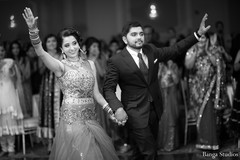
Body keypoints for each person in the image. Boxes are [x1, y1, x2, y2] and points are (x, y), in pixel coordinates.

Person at [103, 14, 210, 160]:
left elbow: (175, 49)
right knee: (150, 152)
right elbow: (108, 88)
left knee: (142, 152)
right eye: (133, 34)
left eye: (141, 34)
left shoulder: (151, 50)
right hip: (134, 112)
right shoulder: (116, 61)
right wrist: (118, 108)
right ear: (124, 39)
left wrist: (197, 35)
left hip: (155, 110)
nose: (139, 37)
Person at [22, 7, 119, 160]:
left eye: (74, 43)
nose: (72, 48)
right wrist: (33, 31)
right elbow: (40, 51)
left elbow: (96, 94)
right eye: (67, 45)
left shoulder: (90, 64)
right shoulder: (60, 66)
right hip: (72, 121)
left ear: (79, 44)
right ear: (62, 49)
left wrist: (110, 110)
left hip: (91, 120)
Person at [185, 33, 228, 150]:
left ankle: (210, 142)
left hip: (210, 88)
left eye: (204, 37)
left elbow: (216, 64)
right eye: (199, 37)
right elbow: (188, 66)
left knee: (209, 113)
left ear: (208, 40)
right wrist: (196, 52)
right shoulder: (191, 50)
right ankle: (202, 141)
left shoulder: (212, 51)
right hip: (196, 89)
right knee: (200, 114)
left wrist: (208, 51)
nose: (201, 40)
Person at [36, 33, 62, 153]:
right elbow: (40, 71)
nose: (51, 43)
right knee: (48, 113)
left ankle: (61, 142)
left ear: (57, 43)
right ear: (45, 44)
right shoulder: (42, 55)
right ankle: (50, 143)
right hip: (47, 88)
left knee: (61, 114)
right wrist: (47, 59)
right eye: (48, 41)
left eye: (53, 41)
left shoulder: (62, 54)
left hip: (60, 87)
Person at [0, 42, 24, 157]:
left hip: (8, 94)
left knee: (10, 119)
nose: (0, 52)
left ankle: (11, 148)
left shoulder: (10, 62)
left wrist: (10, 69)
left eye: (2, 50)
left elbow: (16, 79)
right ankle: (3, 147)